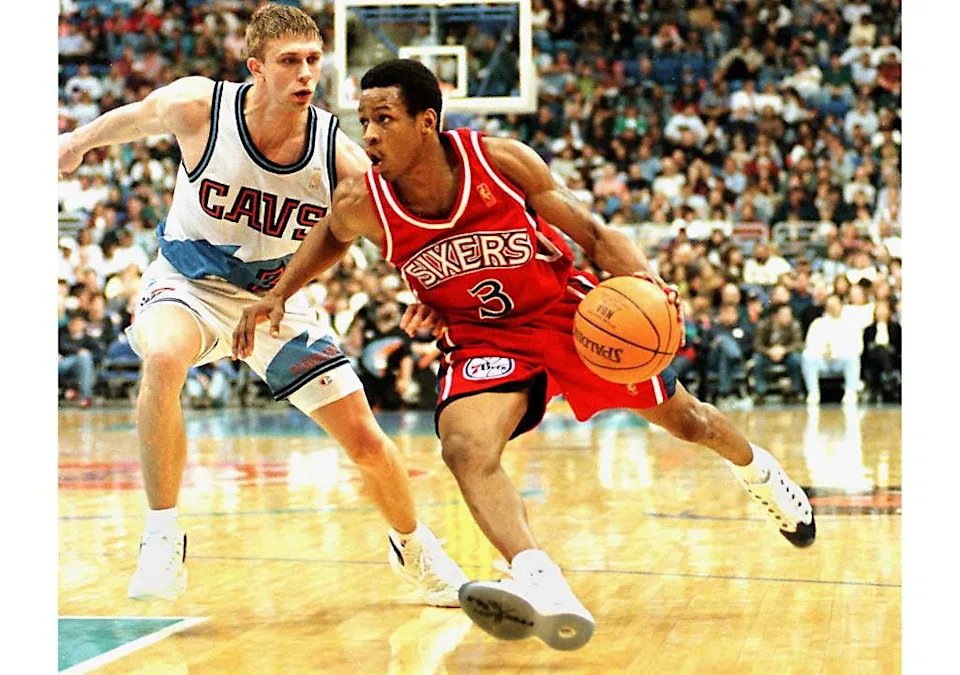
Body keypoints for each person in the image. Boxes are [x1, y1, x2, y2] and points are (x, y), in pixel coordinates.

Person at [232, 59, 815, 651]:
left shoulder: (500, 162)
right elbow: (331, 234)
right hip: (481, 337)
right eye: (364, 122)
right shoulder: (364, 199)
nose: (370, 135)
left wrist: (648, 282)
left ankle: (760, 472)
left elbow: (592, 234)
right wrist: (280, 292)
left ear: (427, 121)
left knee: (689, 422)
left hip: (568, 316)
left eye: (385, 119)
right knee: (465, 449)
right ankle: (539, 578)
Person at [57, 6, 465, 606]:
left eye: (313, 60)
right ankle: (162, 535)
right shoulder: (200, 107)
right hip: (188, 286)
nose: (306, 74)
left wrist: (432, 293)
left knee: (365, 440)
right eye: (289, 61)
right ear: (256, 68)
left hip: (275, 303)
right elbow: (137, 116)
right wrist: (74, 143)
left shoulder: (337, 155)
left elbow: (397, 233)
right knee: (163, 357)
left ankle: (416, 549)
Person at [801, 294, 863, 405]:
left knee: (853, 357)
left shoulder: (851, 324)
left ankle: (850, 392)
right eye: (830, 305)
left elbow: (858, 347)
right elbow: (810, 344)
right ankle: (813, 393)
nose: (833, 307)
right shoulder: (817, 323)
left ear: (841, 305)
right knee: (807, 356)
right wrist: (824, 352)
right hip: (822, 360)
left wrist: (838, 352)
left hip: (841, 360)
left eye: (835, 304)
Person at [752, 303, 805, 404]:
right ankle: (760, 392)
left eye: (789, 315)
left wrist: (783, 350)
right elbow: (757, 345)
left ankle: (795, 391)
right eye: (785, 315)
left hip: (787, 354)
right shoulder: (763, 325)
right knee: (757, 359)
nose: (788, 317)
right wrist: (769, 351)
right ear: (775, 316)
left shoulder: (795, 325)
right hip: (767, 354)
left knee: (796, 359)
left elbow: (797, 344)